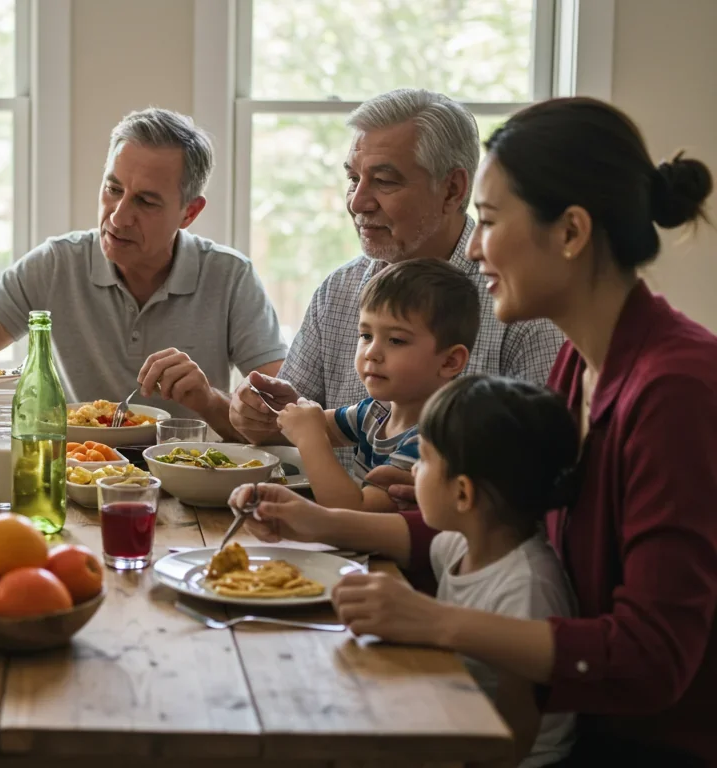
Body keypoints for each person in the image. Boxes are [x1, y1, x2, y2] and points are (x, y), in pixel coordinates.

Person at [233, 97, 717, 765]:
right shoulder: (582, 362)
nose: (476, 247)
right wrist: (316, 521)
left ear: (571, 232)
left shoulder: (676, 389)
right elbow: (500, 518)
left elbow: (652, 658)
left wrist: (434, 620)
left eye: (488, 222)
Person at [232, 375, 579, 767]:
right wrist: (297, 515)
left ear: (462, 493)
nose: (413, 473)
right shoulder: (460, 543)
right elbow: (365, 534)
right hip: (458, 720)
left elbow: (516, 733)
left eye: (425, 459)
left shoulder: (525, 587)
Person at [231, 88, 564, 471]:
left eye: (384, 182)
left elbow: (546, 463)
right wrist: (261, 413)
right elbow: (289, 426)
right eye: (354, 178)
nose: (358, 202)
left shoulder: (522, 302)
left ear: (452, 190)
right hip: (321, 525)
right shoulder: (339, 290)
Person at [0, 107, 286, 440]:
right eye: (113, 189)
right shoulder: (54, 264)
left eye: (145, 201)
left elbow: (282, 421)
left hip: (187, 482)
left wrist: (206, 400)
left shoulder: (231, 277)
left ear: (189, 213)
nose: (118, 216)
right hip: (71, 476)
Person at [277, 259, 477, 512]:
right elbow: (315, 422)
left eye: (395, 340)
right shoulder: (375, 412)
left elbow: (354, 513)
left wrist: (310, 439)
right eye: (366, 336)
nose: (371, 353)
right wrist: (293, 416)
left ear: (450, 361)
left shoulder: (434, 439)